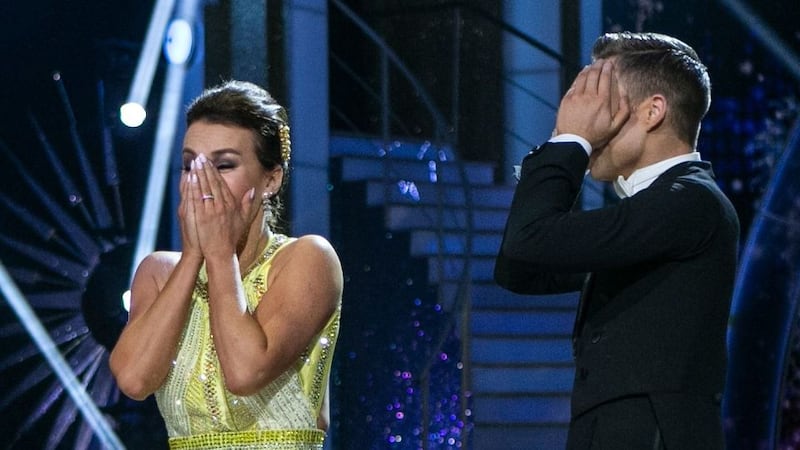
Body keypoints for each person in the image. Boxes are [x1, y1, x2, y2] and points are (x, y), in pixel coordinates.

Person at [494, 32, 739, 449]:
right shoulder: (650, 214)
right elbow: (517, 267)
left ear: (653, 111)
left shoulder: (690, 202)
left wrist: (569, 144)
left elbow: (529, 240)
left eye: (601, 104)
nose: (589, 122)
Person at [109, 80, 343, 450]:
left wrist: (218, 255)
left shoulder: (308, 259)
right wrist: (192, 258)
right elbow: (134, 380)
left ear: (271, 179)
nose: (203, 183)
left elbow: (246, 371)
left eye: (223, 165)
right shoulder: (158, 272)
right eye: (191, 166)